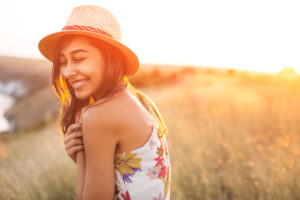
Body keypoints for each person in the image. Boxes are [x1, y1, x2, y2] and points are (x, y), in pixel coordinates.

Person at [38, 5, 171, 200]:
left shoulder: (100, 115)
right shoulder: (140, 102)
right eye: (63, 62)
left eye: (79, 58)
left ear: (110, 58)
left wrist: (82, 158)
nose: (66, 72)